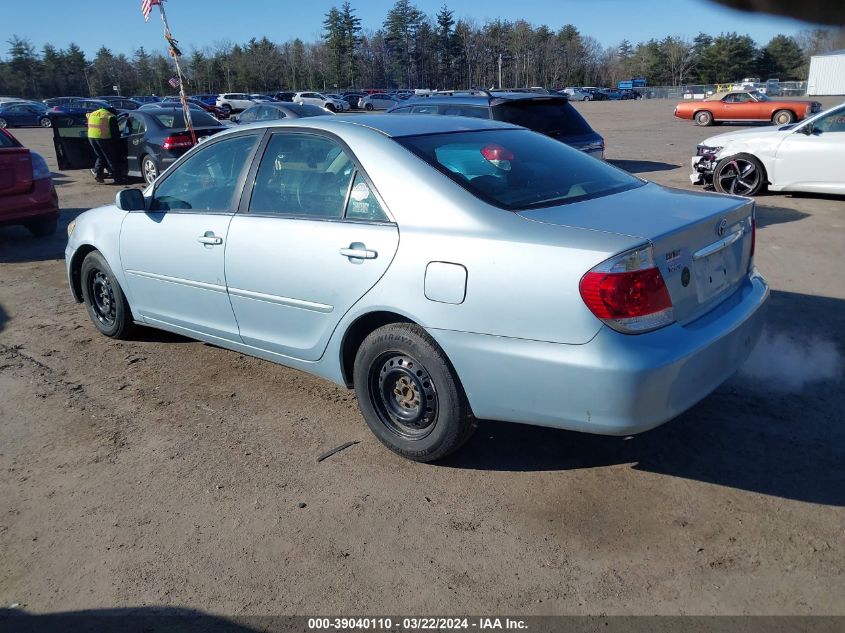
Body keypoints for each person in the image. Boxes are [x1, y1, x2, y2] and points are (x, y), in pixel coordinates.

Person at [87, 106, 127, 184]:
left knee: (100, 156)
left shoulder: (93, 113)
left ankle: (98, 174)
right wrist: (117, 141)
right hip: (103, 138)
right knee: (111, 158)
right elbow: (115, 133)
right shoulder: (110, 117)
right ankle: (118, 179)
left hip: (91, 137)